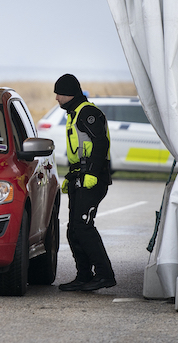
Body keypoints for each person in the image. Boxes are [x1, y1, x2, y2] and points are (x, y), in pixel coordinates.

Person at [54, 74, 116, 291]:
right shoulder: (74, 113)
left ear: (69, 93)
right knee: (74, 229)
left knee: (83, 227)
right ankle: (84, 276)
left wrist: (91, 173)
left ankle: (104, 275)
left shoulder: (87, 112)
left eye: (59, 93)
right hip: (80, 177)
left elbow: (100, 144)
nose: (56, 98)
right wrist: (71, 177)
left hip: (93, 179)